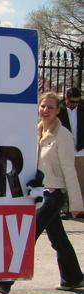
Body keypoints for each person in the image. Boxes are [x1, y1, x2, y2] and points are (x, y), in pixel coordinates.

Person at [0, 91, 84, 294]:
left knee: (27, 236)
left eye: (50, 107)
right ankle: (73, 277)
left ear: (58, 111)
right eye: (43, 106)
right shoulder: (36, 132)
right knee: (58, 239)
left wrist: (76, 204)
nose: (45, 110)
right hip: (40, 194)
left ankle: (5, 279)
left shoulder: (63, 136)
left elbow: (69, 170)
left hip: (54, 195)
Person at [58, 87, 84, 218]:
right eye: (72, 102)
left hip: (80, 150)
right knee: (63, 181)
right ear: (66, 99)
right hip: (63, 149)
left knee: (80, 181)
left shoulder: (82, 110)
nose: (74, 104)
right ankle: (63, 209)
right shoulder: (59, 110)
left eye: (77, 102)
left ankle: (79, 209)